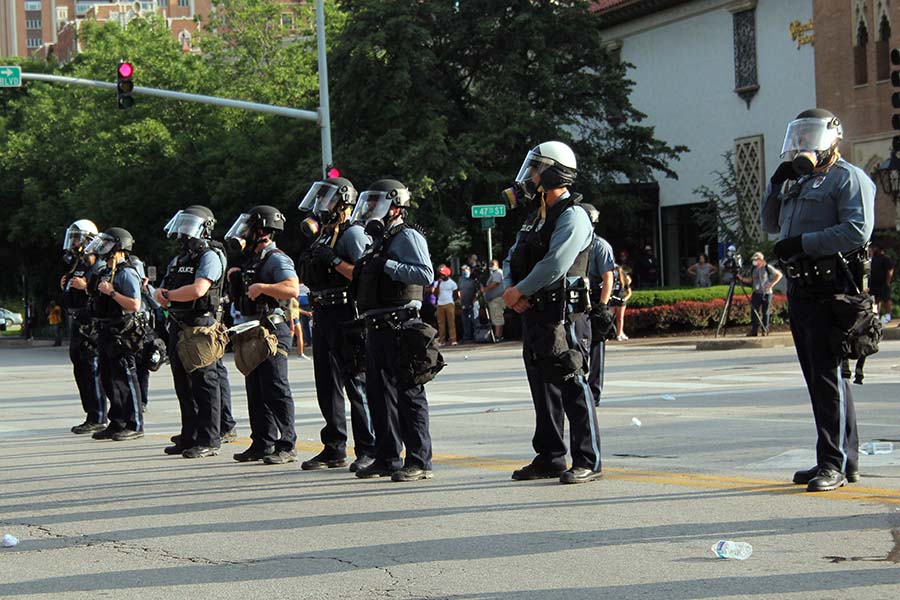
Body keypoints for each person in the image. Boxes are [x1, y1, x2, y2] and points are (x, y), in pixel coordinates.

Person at [762, 108, 875, 492]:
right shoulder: (798, 183)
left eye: (812, 136)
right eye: (801, 136)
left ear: (832, 138)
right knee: (820, 379)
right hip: (801, 290)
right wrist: (775, 187)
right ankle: (843, 459)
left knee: (830, 377)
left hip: (833, 291)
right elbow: (770, 224)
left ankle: (834, 463)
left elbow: (856, 231)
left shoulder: (849, 179)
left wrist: (805, 244)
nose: (804, 144)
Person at [502, 140, 602, 484]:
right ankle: (550, 456)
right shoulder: (535, 217)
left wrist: (520, 290)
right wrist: (510, 289)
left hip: (565, 314)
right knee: (542, 388)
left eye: (535, 168)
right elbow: (511, 256)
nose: (529, 175)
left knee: (572, 383)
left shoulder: (573, 215)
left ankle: (588, 459)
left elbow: (556, 263)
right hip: (535, 313)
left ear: (554, 171)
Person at [350, 179, 435, 481]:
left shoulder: (407, 236)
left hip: (401, 325)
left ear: (394, 205)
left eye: (376, 203)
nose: (371, 209)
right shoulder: (378, 240)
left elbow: (425, 274)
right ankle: (387, 457)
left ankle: (418, 460)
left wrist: (390, 265)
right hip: (376, 327)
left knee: (409, 395)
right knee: (378, 396)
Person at [295, 176, 376, 473]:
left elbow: (362, 275)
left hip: (347, 314)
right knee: (326, 386)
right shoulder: (321, 235)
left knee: (356, 384)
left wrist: (333, 261)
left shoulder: (352, 233)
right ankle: (334, 447)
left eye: (326, 199)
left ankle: (369, 447)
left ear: (342, 202)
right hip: (322, 313)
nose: (320, 205)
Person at [225, 205, 300, 464]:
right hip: (252, 330)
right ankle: (262, 442)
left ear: (261, 231)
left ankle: (287, 443)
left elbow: (292, 288)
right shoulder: (252, 260)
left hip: (272, 329)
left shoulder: (276, 258)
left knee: (275, 387)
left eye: (249, 228)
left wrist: (263, 287)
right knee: (255, 388)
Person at [154, 206, 230, 458]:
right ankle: (190, 435)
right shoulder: (179, 260)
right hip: (178, 324)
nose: (184, 232)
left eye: (189, 225)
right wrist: (163, 295)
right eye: (183, 225)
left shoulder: (210, 256)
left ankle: (209, 438)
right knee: (183, 384)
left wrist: (168, 296)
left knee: (204, 384)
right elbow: (161, 289)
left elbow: (198, 290)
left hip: (200, 325)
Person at [84, 227, 145, 441]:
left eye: (108, 243)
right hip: (105, 330)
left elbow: (135, 304)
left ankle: (134, 424)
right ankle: (116, 421)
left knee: (125, 378)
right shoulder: (105, 271)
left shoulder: (126, 272)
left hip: (122, 332)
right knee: (108, 378)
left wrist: (111, 292)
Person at [60, 219, 108, 435]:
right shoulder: (78, 264)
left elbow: (103, 290)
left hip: (91, 323)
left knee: (92, 368)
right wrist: (67, 284)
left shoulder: (97, 264)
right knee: (80, 369)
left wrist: (86, 286)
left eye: (78, 237)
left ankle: (98, 416)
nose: (75, 242)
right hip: (77, 321)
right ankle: (90, 414)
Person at [580, 203, 616, 406]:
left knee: (595, 348)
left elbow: (608, 277)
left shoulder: (599, 246)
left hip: (594, 300)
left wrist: (602, 306)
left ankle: (593, 394)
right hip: (577, 301)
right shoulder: (575, 244)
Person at [737, 252, 782, 337]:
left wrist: (771, 284)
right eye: (754, 259)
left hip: (766, 293)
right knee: (754, 312)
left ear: (761, 260)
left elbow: (779, 275)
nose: (755, 261)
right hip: (756, 293)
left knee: (765, 312)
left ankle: (765, 330)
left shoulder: (767, 267)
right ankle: (754, 330)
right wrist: (742, 279)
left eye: (756, 259)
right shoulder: (753, 269)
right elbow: (751, 280)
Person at [481, 259, 506, 341]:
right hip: (494, 299)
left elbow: (495, 283)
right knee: (496, 316)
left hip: (497, 299)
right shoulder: (495, 273)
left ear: (497, 264)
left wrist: (485, 289)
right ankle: (498, 335)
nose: (491, 266)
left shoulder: (498, 273)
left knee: (497, 316)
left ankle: (498, 335)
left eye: (493, 264)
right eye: (490, 264)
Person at [434, 264, 459, 346]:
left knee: (451, 323)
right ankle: (442, 340)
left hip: (449, 304)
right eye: (441, 274)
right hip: (440, 304)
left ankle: (453, 339)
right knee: (441, 323)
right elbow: (435, 294)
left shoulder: (452, 283)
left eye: (443, 274)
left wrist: (452, 301)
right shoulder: (438, 283)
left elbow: (456, 295)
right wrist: (438, 285)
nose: (442, 276)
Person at [870, 243, 894, 325]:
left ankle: (888, 316)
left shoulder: (886, 259)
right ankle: (876, 315)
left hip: (883, 283)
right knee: (875, 301)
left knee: (886, 300)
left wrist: (887, 282)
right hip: (874, 284)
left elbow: (890, 271)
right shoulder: (873, 259)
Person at [611, 264, 633, 341]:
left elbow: (629, 292)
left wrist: (625, 299)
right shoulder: (612, 280)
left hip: (621, 301)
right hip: (613, 300)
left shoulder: (623, 281)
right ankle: (610, 333)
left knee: (620, 318)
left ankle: (619, 333)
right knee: (610, 318)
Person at [458, 264, 478, 343]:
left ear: (469, 271)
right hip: (463, 302)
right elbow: (459, 290)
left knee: (474, 320)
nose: (464, 272)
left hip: (473, 302)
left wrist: (475, 299)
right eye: (462, 270)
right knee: (465, 321)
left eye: (465, 270)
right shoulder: (460, 279)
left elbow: (478, 290)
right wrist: (459, 299)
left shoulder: (473, 279)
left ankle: (477, 336)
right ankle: (467, 337)